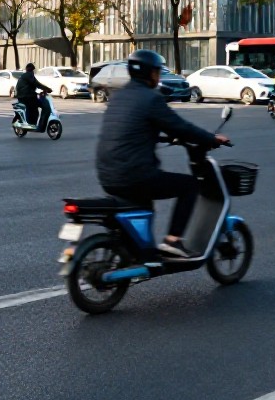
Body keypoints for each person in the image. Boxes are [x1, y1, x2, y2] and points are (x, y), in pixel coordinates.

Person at [96, 49, 229, 259]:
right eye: (157, 72)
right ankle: (173, 240)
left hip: (107, 175)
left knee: (143, 203)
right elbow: (180, 127)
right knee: (189, 186)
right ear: (150, 74)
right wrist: (211, 139)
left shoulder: (118, 97)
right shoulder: (151, 98)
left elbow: (130, 129)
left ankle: (139, 251)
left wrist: (156, 136)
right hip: (135, 175)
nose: (158, 77)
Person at [16, 62, 52, 129]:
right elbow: (37, 84)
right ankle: (35, 124)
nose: (32, 71)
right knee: (42, 107)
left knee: (34, 109)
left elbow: (36, 84)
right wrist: (47, 89)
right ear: (31, 70)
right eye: (32, 70)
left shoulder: (26, 75)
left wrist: (45, 89)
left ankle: (33, 123)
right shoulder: (29, 75)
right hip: (26, 97)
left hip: (24, 96)